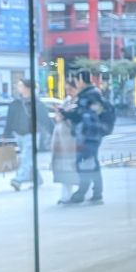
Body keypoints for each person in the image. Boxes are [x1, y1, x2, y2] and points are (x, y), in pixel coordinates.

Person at [60, 70, 113, 205]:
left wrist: (64, 113)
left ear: (81, 81)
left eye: (77, 81)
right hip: (94, 134)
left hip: (88, 135)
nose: (76, 84)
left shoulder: (87, 96)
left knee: (85, 163)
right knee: (90, 162)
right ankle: (95, 193)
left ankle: (83, 193)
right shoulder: (94, 94)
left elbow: (81, 117)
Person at [6, 78, 41, 192]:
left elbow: (44, 119)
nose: (18, 87)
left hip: (32, 134)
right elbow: (10, 118)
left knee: (26, 158)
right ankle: (38, 179)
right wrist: (6, 133)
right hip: (19, 134)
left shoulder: (36, 102)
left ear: (28, 88)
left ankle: (18, 180)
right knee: (29, 158)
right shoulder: (16, 102)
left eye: (21, 85)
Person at [50, 81, 81, 204]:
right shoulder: (66, 101)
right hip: (61, 141)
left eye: (71, 89)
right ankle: (65, 196)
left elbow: (73, 118)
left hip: (72, 141)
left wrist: (63, 115)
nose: (69, 92)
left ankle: (77, 194)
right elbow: (59, 117)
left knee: (72, 169)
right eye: (67, 89)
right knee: (64, 170)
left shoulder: (78, 102)